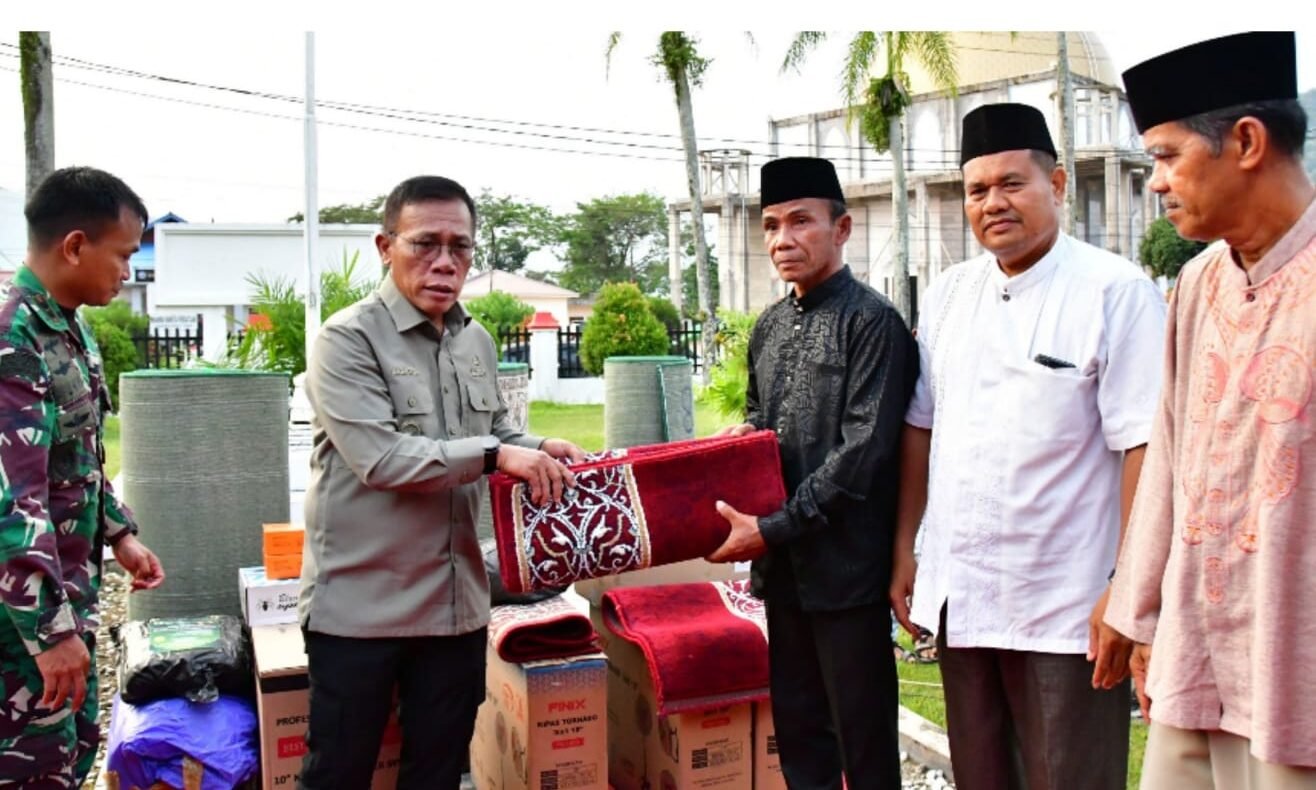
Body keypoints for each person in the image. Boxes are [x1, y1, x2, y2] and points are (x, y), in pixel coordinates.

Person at [891, 103, 1167, 790]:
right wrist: (905, 549)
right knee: (981, 776)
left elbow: (1144, 444)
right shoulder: (950, 294)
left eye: (1012, 183)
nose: (993, 203)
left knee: (1069, 777)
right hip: (963, 594)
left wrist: (1125, 589)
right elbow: (921, 425)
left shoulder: (1115, 291)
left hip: (1066, 604)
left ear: (1058, 183)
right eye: (977, 190)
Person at [299, 175, 584, 790]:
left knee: (437, 775)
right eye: (425, 243)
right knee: (338, 775)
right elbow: (382, 459)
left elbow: (497, 429)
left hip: (455, 610)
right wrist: (499, 455)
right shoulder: (346, 340)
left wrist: (539, 448)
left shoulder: (475, 339)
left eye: (460, 247)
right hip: (360, 612)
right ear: (385, 247)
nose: (445, 262)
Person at [1105, 31, 1316, 789]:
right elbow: (1170, 449)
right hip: (1197, 654)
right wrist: (1138, 613)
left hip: (1295, 666)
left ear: (1248, 143)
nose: (1156, 183)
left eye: (1167, 156)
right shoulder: (1198, 284)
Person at [709, 156, 918, 788]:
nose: (782, 240)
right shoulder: (769, 326)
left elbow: (863, 453)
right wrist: (742, 440)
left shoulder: (873, 322)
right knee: (799, 737)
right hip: (785, 575)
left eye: (801, 221)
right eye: (772, 225)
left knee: (865, 743)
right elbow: (761, 417)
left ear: (842, 229)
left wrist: (772, 527)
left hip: (848, 575)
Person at [0, 166, 166, 787]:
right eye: (123, 254)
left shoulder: (68, 327)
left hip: (68, 602)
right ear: (75, 246)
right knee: (34, 768)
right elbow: (13, 505)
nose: (128, 271)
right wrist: (50, 636)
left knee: (71, 753)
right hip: (20, 628)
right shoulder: (13, 339)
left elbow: (78, 457)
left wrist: (120, 533)